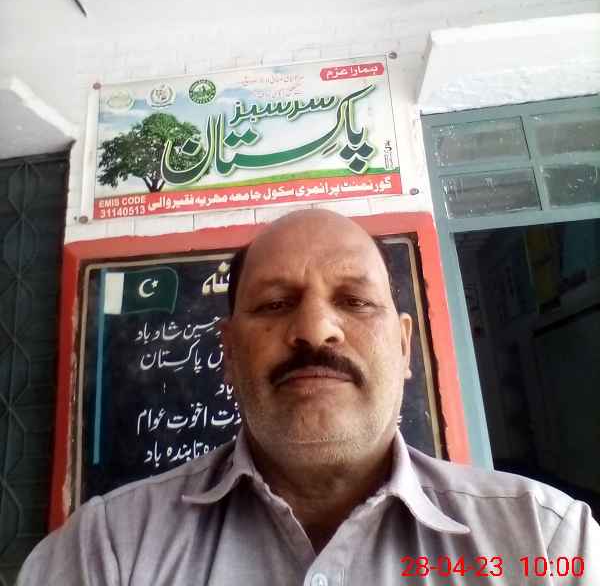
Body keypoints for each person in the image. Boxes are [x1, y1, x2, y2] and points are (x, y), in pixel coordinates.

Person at [18, 209, 600, 584]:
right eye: (275, 304)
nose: (316, 330)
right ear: (228, 353)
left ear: (404, 347)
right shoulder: (107, 552)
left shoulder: (547, 542)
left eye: (355, 301)